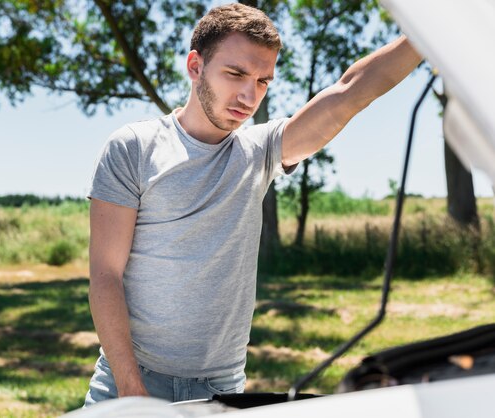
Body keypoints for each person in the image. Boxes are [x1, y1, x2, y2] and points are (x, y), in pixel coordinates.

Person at [84, 3, 421, 406]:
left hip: (222, 389)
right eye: (236, 74)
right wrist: (132, 393)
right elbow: (105, 276)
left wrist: (433, 35)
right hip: (130, 381)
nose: (250, 95)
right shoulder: (133, 148)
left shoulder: (259, 151)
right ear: (196, 66)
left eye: (263, 81)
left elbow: (351, 91)